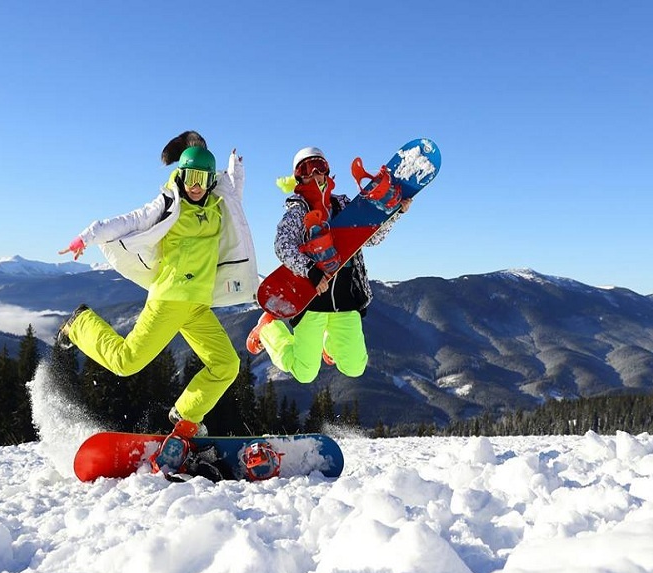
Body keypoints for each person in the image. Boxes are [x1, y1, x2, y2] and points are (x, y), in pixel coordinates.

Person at [58, 131, 258, 446]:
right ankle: (80, 323)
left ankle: (186, 416)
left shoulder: (218, 205)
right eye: (190, 176)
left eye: (202, 179)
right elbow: (129, 221)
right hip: (168, 301)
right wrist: (87, 236)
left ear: (209, 181)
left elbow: (235, 201)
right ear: (180, 175)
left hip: (197, 307)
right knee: (125, 362)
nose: (195, 185)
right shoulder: (168, 203)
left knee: (227, 364)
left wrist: (236, 174)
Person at [247, 146, 412, 384]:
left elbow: (372, 237)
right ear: (298, 176)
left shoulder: (344, 206)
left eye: (319, 167)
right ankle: (267, 330)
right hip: (312, 301)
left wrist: (394, 214)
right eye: (307, 169)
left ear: (327, 171)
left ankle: (329, 345)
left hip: (346, 299)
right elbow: (282, 245)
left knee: (355, 367)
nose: (314, 173)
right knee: (305, 373)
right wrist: (310, 271)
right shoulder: (298, 211)